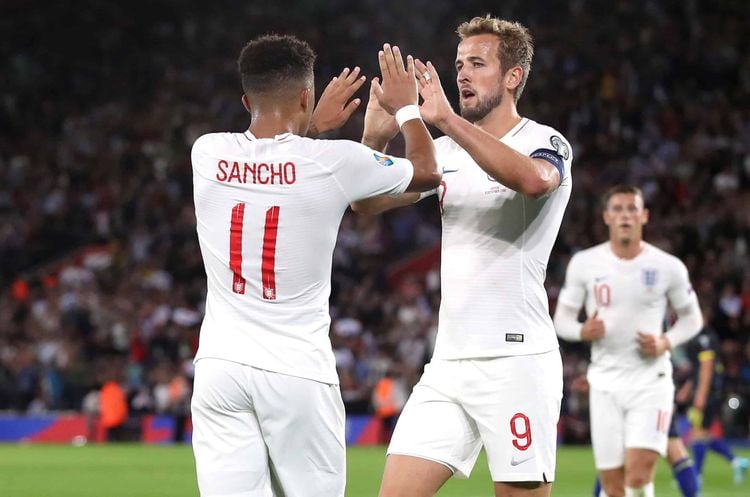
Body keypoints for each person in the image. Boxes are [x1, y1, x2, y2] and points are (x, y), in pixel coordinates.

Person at [189, 34, 441, 497]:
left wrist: (309, 127)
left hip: (219, 369)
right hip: (296, 372)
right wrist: (407, 109)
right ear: (307, 96)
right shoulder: (333, 161)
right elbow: (428, 172)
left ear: (246, 99)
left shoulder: (206, 153)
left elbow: (272, 164)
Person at [354, 15, 573, 497]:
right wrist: (374, 139)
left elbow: (535, 182)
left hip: (516, 362)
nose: (463, 74)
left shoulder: (544, 141)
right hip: (449, 364)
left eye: (478, 63)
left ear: (513, 77)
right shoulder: (444, 151)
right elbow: (365, 203)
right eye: (459, 65)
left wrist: (444, 118)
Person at [554, 185, 704, 497]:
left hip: (651, 382)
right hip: (605, 384)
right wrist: (583, 331)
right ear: (607, 216)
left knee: (637, 474)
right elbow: (562, 321)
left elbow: (693, 318)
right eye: (618, 209)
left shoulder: (668, 266)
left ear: (644, 215)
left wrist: (666, 341)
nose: (626, 215)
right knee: (612, 485)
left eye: (632, 208)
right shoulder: (584, 263)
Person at [681, 327, 750, 486]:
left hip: (708, 393)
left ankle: (696, 476)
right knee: (702, 434)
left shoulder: (703, 337)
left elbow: (707, 366)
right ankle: (736, 461)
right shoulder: (700, 335)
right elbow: (699, 369)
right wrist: (688, 387)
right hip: (708, 391)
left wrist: (701, 394)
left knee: (697, 434)